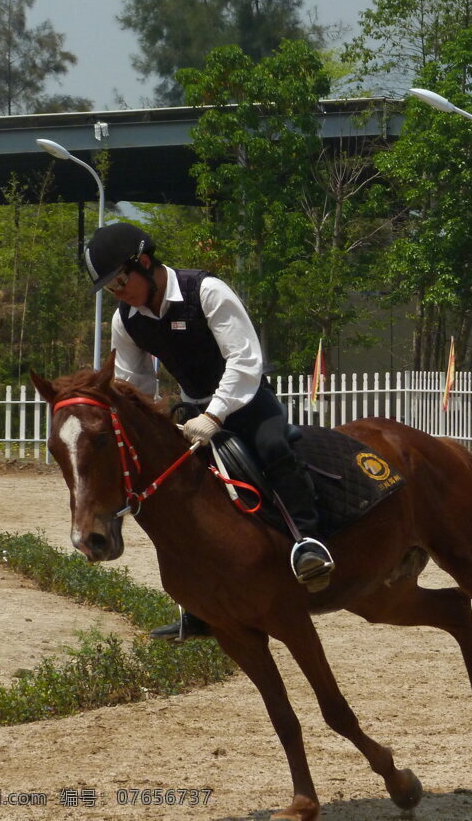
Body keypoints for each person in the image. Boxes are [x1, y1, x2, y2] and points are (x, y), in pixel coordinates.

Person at [82, 222, 334, 639]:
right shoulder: (126, 319)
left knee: (273, 448)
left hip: (248, 402)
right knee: (176, 494)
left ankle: (310, 542)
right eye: (110, 288)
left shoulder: (207, 291)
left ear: (144, 263)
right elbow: (134, 385)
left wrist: (215, 416)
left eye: (120, 281)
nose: (118, 292)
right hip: (193, 412)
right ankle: (197, 606)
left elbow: (244, 360)